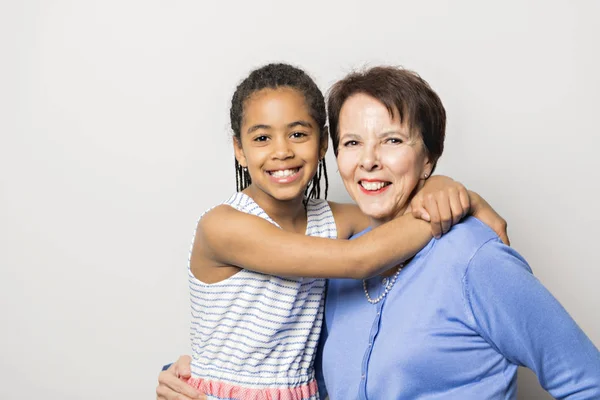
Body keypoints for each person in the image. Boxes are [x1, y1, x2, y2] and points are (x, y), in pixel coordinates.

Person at [160, 66, 600, 399]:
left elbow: (587, 381)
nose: (369, 160)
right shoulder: (333, 247)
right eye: (353, 143)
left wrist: (457, 196)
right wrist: (191, 372)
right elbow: (347, 274)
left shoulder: (470, 257)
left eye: (391, 140)